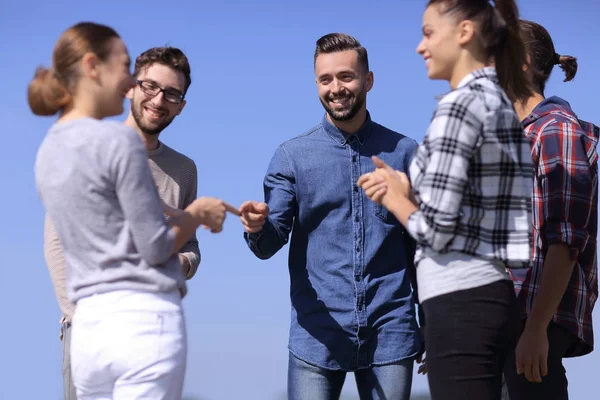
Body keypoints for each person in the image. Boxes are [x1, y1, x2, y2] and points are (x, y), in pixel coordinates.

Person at [30, 22, 238, 400]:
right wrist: (196, 214)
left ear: (182, 105)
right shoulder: (111, 144)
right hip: (123, 324)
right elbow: (59, 244)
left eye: (171, 94)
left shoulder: (54, 146)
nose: (158, 100)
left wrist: (183, 258)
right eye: (147, 85)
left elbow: (185, 248)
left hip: (100, 327)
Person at [358, 1, 534, 399]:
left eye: (428, 32)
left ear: (465, 32)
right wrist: (412, 188)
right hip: (492, 293)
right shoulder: (498, 100)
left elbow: (436, 231)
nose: (421, 47)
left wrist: (396, 197)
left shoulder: (457, 107)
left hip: (459, 300)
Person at [239, 33, 422, 400]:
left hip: (391, 331)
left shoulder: (406, 152)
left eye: (346, 77)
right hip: (316, 335)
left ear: (368, 81)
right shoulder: (291, 156)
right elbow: (270, 241)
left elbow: (422, 246)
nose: (336, 88)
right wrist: (257, 227)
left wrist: (431, 322)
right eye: (325, 79)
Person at [502, 19, 599, 400]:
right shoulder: (518, 134)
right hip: (510, 323)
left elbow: (566, 242)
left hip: (532, 321)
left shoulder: (553, 130)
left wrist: (537, 329)